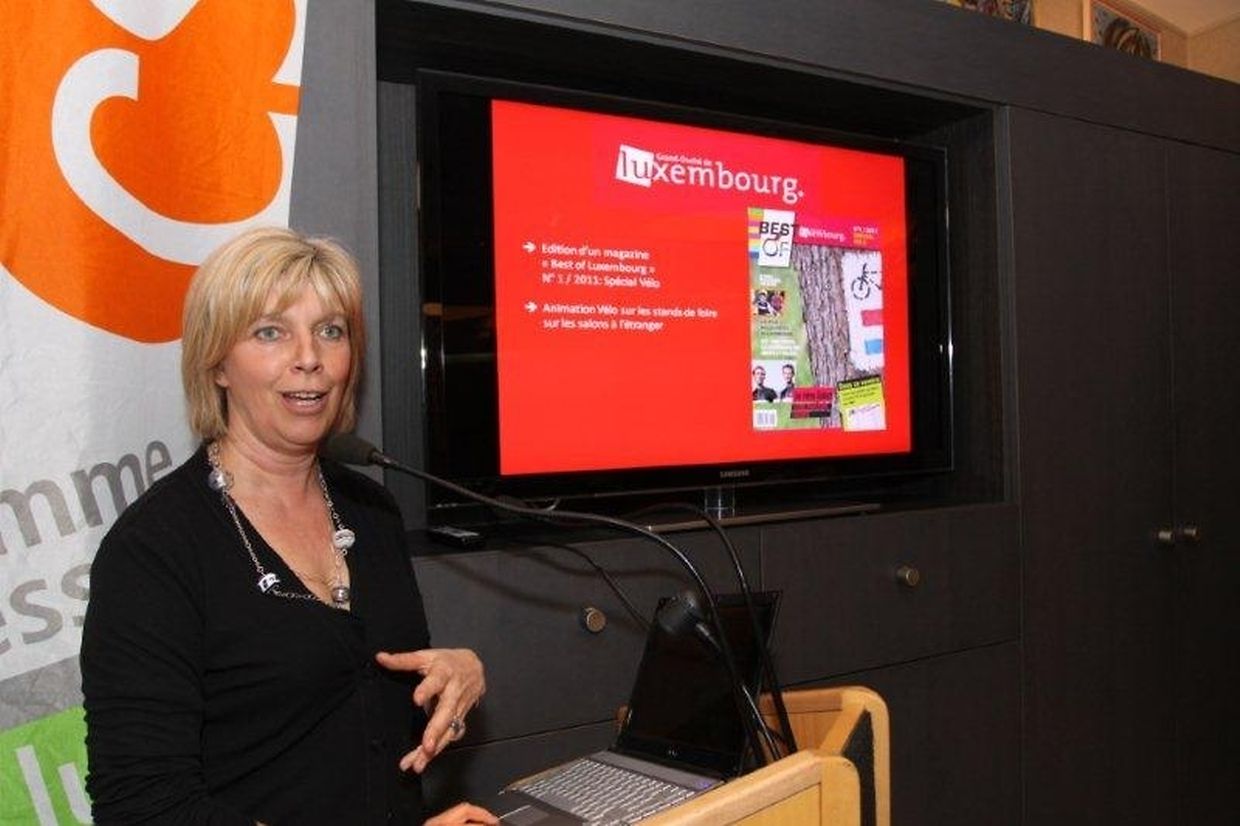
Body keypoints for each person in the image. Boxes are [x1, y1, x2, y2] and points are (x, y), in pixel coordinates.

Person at [81, 227, 496, 825]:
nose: (309, 357)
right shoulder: (154, 550)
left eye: (331, 331)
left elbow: (362, 730)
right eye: (270, 332)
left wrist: (456, 675)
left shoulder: (370, 510)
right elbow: (142, 809)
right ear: (216, 364)